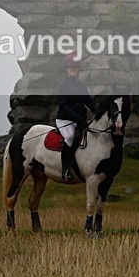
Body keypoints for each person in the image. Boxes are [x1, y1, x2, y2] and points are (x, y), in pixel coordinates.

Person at [55, 52, 97, 181]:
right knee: (69, 137)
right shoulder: (62, 85)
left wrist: (98, 112)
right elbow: (63, 106)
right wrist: (78, 118)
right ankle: (65, 169)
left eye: (75, 67)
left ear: (78, 70)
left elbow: (89, 101)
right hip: (65, 120)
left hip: (80, 120)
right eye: (70, 67)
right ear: (66, 70)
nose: (73, 69)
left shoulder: (81, 86)